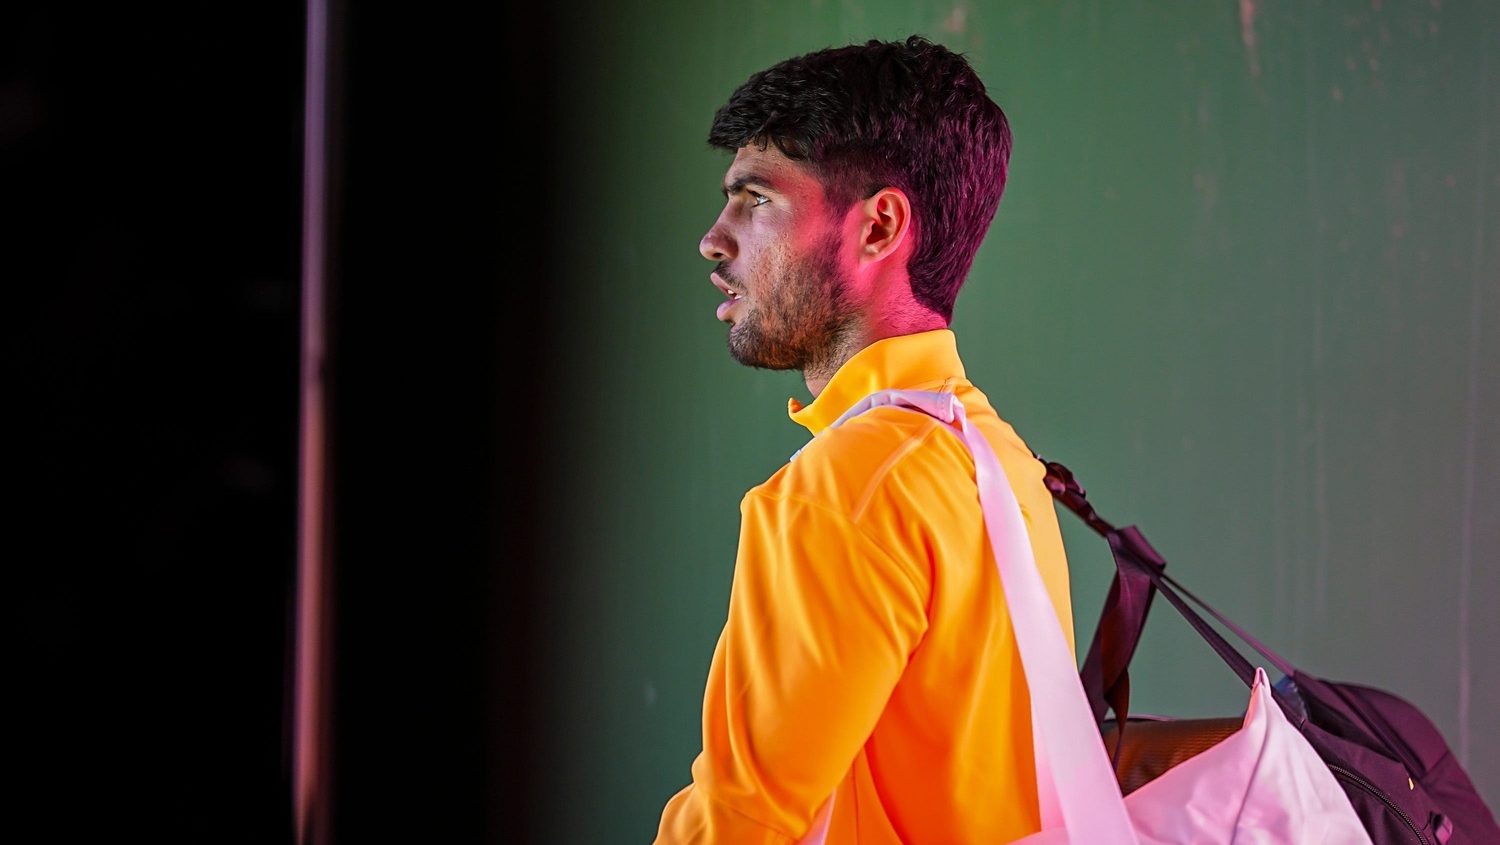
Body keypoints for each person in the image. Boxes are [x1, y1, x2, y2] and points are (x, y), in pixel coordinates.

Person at [655, 36, 1074, 844]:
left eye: (756, 199)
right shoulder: (1000, 460)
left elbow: (743, 823)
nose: (715, 237)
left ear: (878, 226)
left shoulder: (846, 486)